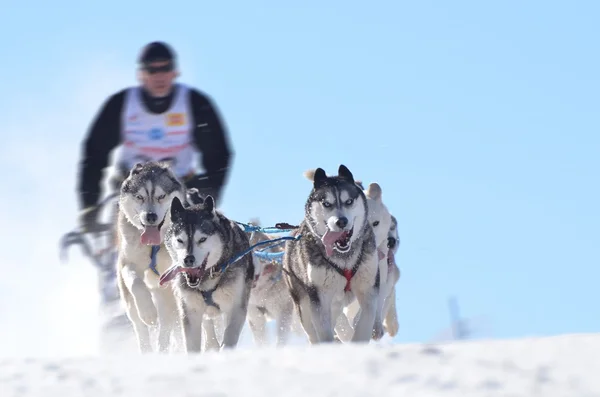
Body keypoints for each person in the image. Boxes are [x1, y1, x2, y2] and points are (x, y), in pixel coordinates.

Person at [76, 41, 233, 232]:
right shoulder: (121, 105)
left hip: (178, 189)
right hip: (133, 190)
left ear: (174, 72)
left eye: (165, 68)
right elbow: (94, 155)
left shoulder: (194, 104)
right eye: (152, 70)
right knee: (126, 238)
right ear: (141, 74)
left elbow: (218, 153)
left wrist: (208, 192)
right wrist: (89, 206)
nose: (159, 76)